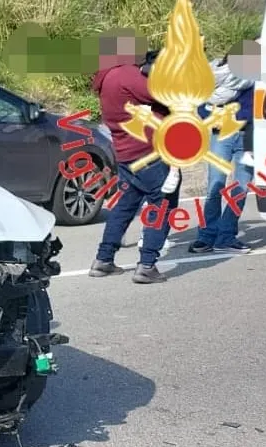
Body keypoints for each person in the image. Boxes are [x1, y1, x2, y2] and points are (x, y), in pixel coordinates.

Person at [88, 32, 178, 284]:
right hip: (149, 151)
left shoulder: (105, 78)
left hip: (126, 152)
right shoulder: (125, 74)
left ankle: (103, 259)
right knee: (162, 205)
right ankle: (147, 264)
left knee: (125, 206)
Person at [190, 41, 258, 255]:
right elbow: (201, 104)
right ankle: (207, 236)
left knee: (241, 187)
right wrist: (210, 118)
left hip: (250, 136)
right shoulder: (217, 76)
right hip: (222, 134)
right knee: (215, 185)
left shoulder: (259, 77)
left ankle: (227, 236)